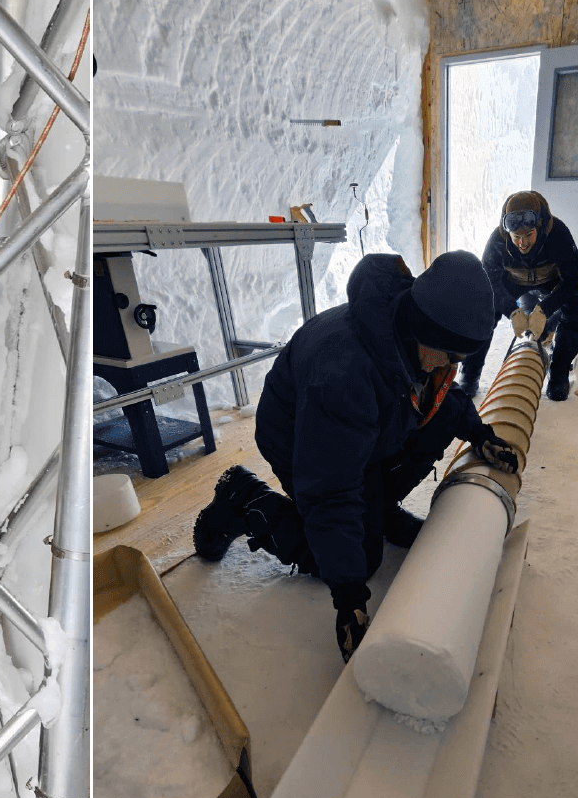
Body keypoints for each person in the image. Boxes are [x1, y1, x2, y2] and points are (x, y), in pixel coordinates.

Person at [191, 252, 522, 661]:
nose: (448, 366)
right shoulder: (344, 371)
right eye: (447, 354)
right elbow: (330, 489)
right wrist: (348, 594)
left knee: (441, 420)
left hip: (362, 430)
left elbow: (439, 396)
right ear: (420, 328)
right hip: (304, 441)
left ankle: (377, 511)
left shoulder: (415, 332)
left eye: (457, 359)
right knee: (361, 557)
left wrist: (479, 433)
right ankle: (245, 500)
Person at [462, 190, 578, 401]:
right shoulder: (497, 240)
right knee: (481, 310)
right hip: (513, 282)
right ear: (507, 233)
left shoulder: (558, 234)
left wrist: (544, 309)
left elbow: (573, 281)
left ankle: (558, 375)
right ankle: (469, 373)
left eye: (528, 235)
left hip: (550, 281)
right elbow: (487, 283)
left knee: (576, 311)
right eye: (516, 237)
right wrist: (511, 310)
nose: (522, 243)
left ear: (539, 227)